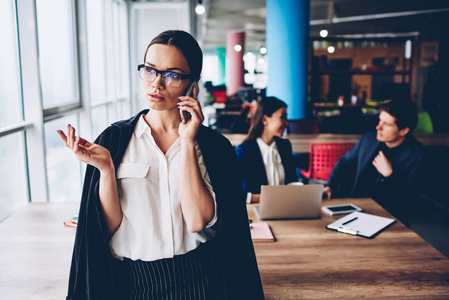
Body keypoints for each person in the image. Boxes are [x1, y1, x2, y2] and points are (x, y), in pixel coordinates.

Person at [57, 30, 263, 300]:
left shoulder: (214, 147)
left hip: (202, 281)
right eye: (150, 70)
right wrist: (106, 170)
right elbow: (104, 230)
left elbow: (197, 220)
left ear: (193, 84)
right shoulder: (114, 140)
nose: (157, 84)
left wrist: (187, 142)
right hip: (132, 284)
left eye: (173, 75)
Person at [323, 100, 425, 221]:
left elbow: (409, 200)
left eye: (386, 124)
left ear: (404, 130)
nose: (378, 127)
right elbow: (344, 161)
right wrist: (330, 185)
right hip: (356, 207)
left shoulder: (417, 155)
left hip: (391, 215)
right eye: (379, 120)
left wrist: (390, 175)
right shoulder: (369, 139)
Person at [235, 97, 298, 204]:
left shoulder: (285, 146)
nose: (287, 123)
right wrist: (271, 198)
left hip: (286, 207)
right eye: (282, 117)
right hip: (256, 211)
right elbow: (234, 193)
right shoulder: (244, 151)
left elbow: (292, 181)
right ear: (265, 120)